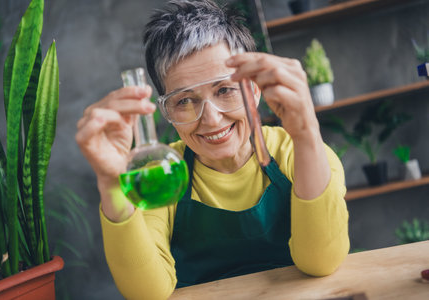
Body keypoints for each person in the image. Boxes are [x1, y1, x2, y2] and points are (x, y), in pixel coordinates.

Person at [75, 0, 350, 299]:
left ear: (254, 90)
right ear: (165, 111)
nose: (211, 118)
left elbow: (321, 262)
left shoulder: (300, 154)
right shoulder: (161, 174)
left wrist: (308, 133)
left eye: (224, 90)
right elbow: (147, 293)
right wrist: (111, 182)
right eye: (184, 100)